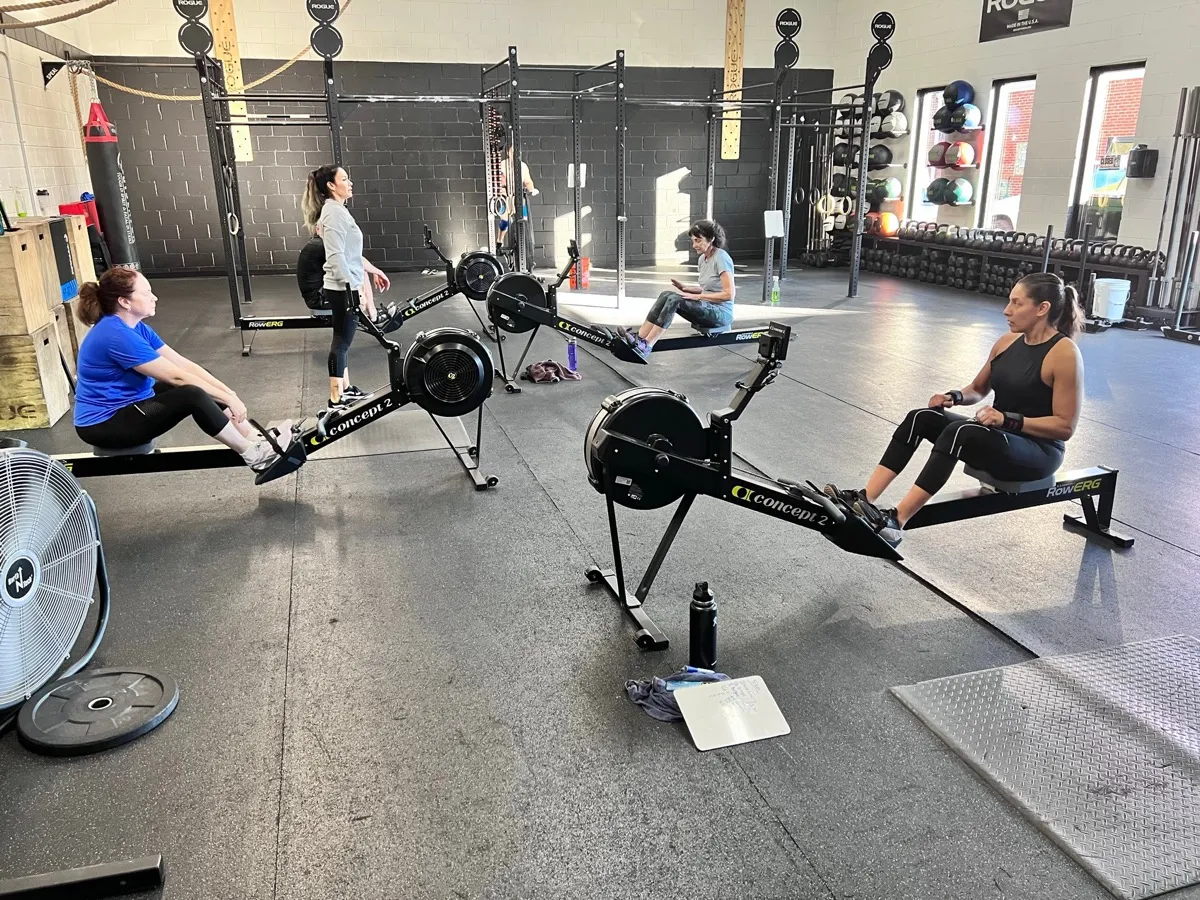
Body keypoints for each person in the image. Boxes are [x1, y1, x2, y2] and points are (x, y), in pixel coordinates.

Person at [824, 272, 1086, 547]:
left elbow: (1065, 427)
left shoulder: (1064, 353)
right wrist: (955, 396)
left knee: (961, 431)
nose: (1006, 310)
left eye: (1017, 304)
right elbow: (978, 388)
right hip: (999, 437)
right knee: (921, 418)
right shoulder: (1007, 342)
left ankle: (895, 522)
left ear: (1042, 309)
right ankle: (865, 498)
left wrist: (1007, 419)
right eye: (1009, 301)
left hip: (1038, 452)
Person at [73, 268, 288, 473]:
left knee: (199, 380)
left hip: (132, 407)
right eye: (147, 293)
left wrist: (229, 394)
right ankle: (255, 456)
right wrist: (228, 399)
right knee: (192, 394)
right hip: (106, 425)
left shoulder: (135, 327)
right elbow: (175, 376)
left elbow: (182, 364)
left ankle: (254, 438)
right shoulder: (115, 335)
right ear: (124, 302)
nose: (154, 297)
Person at [300, 164, 392, 412]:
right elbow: (336, 257)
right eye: (345, 179)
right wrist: (354, 289)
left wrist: (370, 275)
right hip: (342, 290)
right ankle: (335, 399)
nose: (350, 182)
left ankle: (346, 390)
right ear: (331, 186)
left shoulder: (336, 211)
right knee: (340, 343)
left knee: (343, 341)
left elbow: (350, 254)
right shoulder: (333, 214)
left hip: (343, 287)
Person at [618, 220, 736, 361]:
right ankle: (640, 338)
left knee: (675, 300)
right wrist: (686, 289)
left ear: (711, 239)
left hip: (721, 313)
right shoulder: (702, 259)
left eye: (698, 241)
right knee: (666, 294)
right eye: (693, 241)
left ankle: (647, 345)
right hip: (709, 307)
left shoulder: (721, 257)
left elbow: (729, 294)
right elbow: (710, 289)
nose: (694, 245)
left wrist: (698, 298)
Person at [497, 135, 537, 266]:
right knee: (504, 221)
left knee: (523, 221)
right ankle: (499, 242)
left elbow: (528, 181)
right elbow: (500, 183)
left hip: (520, 199)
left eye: (516, 151)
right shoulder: (502, 165)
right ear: (508, 151)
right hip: (505, 198)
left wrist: (532, 189)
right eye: (511, 150)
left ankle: (524, 251)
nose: (514, 153)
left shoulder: (522, 166)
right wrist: (503, 190)